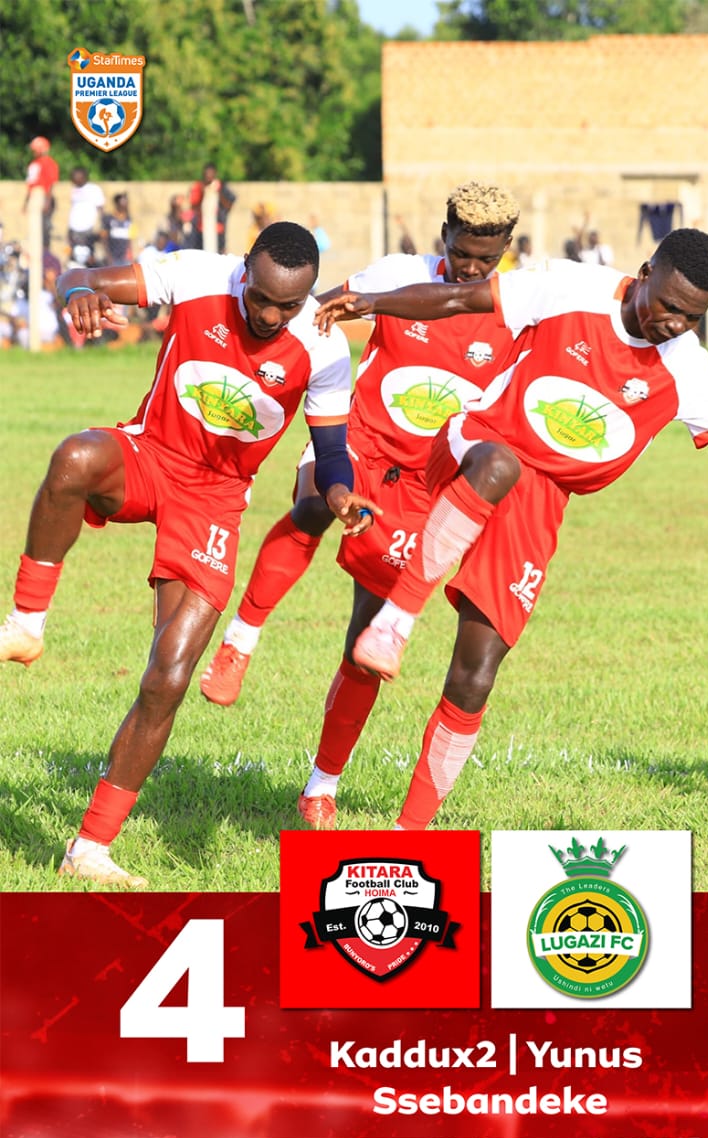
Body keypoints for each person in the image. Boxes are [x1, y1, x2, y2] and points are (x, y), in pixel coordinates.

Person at [317, 228, 708, 832]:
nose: (675, 323)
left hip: (540, 502)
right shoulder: (571, 288)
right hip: (477, 445)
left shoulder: (688, 368)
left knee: (476, 672)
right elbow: (458, 298)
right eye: (670, 305)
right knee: (498, 470)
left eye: (692, 317)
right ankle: (396, 621)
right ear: (645, 272)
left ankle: (409, 836)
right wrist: (372, 303)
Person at [0, 222, 371, 886]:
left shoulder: (324, 345)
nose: (270, 316)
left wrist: (340, 493)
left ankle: (89, 849)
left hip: (216, 501)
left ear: (309, 295)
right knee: (74, 456)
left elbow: (333, 450)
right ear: (244, 272)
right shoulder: (199, 274)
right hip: (148, 456)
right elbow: (79, 277)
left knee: (168, 676)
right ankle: (27, 623)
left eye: (288, 305)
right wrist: (78, 294)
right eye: (260, 298)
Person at [200, 182, 521, 831]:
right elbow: (313, 315)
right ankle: (238, 642)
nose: (470, 268)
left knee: (364, 645)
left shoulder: (519, 309)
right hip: (355, 446)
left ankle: (321, 787)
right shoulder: (397, 275)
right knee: (317, 500)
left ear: (505, 251)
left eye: (485, 260)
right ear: (444, 235)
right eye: (461, 252)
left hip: (422, 489)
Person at [187, 163, 236, 252]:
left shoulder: (221, 186)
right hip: (200, 229)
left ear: (215, 174)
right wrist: (202, 193)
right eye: (207, 174)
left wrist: (218, 192)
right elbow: (193, 207)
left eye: (211, 173)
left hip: (218, 229)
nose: (209, 176)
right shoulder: (198, 187)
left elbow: (229, 206)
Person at [23, 137, 59, 249]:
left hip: (43, 196)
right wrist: (26, 202)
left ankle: (45, 252)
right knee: (34, 228)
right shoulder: (34, 163)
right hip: (34, 196)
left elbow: (50, 183)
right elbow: (31, 184)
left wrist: (47, 201)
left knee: (44, 227)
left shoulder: (48, 163)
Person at [67, 166, 105, 262]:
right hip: (74, 229)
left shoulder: (93, 189)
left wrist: (101, 225)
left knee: (89, 256)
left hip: (88, 229)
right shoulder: (74, 190)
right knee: (74, 256)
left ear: (83, 176)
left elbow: (100, 208)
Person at [102, 192, 135, 267]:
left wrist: (131, 256)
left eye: (126, 203)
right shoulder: (109, 219)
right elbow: (104, 239)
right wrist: (108, 256)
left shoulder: (129, 220)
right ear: (117, 203)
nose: (124, 205)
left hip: (125, 258)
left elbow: (130, 240)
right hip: (113, 258)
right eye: (122, 202)